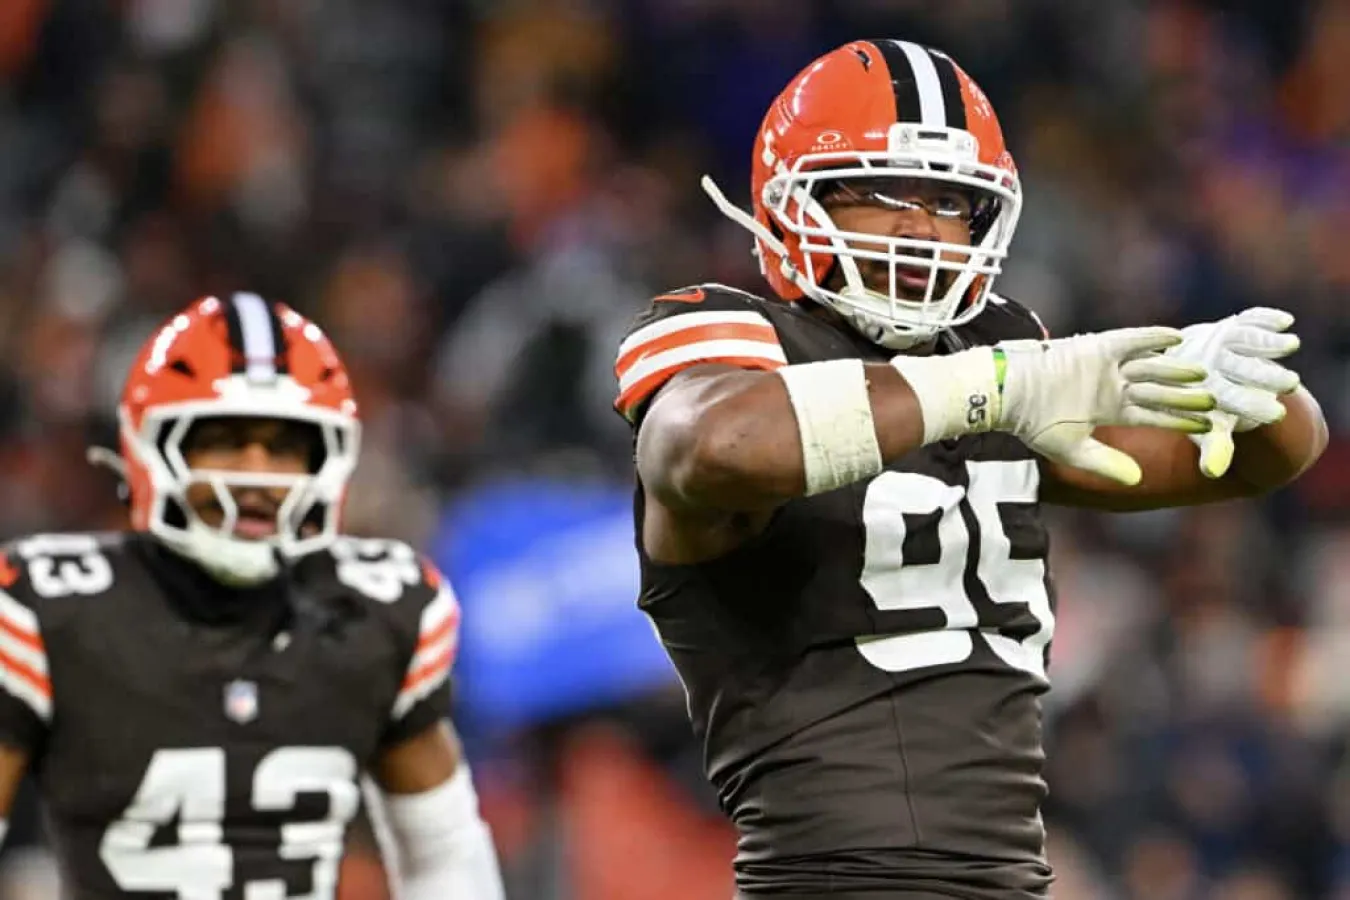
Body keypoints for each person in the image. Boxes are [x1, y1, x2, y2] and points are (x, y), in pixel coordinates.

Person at [613, 39, 1326, 900]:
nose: (921, 227)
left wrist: (1250, 384)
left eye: (950, 201)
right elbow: (711, 446)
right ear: (791, 198)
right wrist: (1000, 383)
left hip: (1010, 880)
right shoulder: (736, 338)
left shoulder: (1000, 356)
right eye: (881, 192)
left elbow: (1257, 459)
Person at [0, 293, 506, 899]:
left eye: (285, 445)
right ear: (152, 448)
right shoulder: (53, 610)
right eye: (224, 439)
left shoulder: (377, 612)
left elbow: (444, 853)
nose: (256, 472)